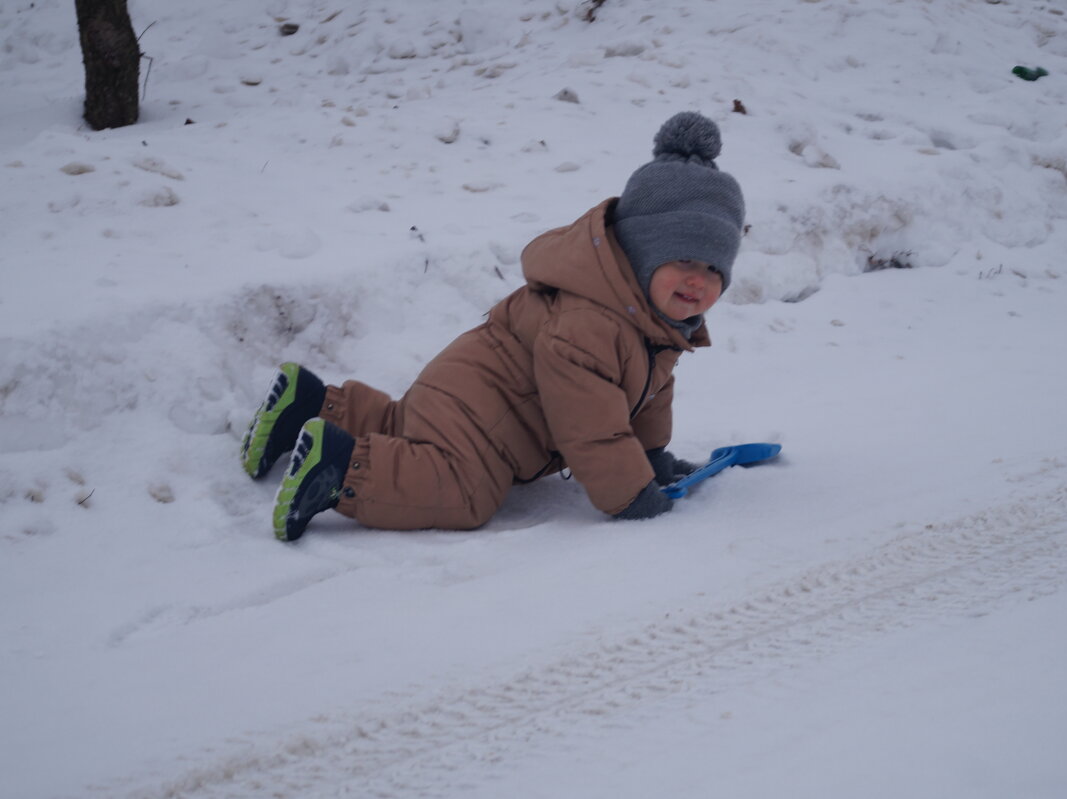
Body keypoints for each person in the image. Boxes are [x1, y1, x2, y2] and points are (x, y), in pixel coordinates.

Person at [240, 111, 746, 541]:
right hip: (483, 418)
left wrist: (652, 457)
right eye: (683, 260)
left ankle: (310, 405)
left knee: (404, 429)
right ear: (639, 253)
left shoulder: (652, 324)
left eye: (713, 269)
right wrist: (632, 495)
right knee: (463, 491)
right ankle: (339, 469)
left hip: (467, 395)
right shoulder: (591, 324)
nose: (697, 281)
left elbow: (649, 396)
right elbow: (590, 426)